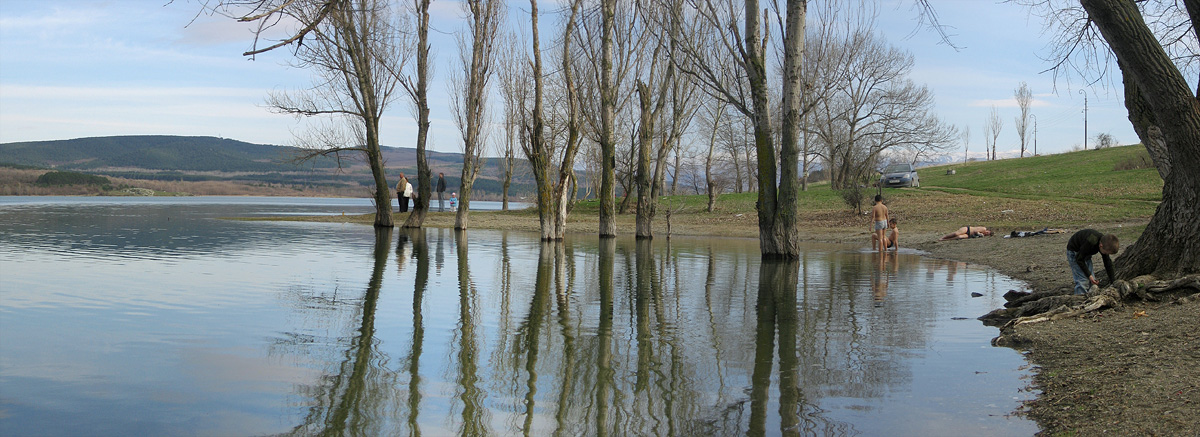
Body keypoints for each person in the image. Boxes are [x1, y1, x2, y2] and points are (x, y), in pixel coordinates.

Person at [1066, 229, 1119, 295]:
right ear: (1101, 245)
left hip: (1085, 254)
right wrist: (1089, 275)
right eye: (1106, 253)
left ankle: (1089, 296)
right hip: (1075, 253)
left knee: (1092, 281)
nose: (1106, 254)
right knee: (1083, 280)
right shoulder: (1091, 241)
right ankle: (1079, 297)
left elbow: (1107, 263)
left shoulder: (1104, 242)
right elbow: (1079, 259)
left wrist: (1113, 281)